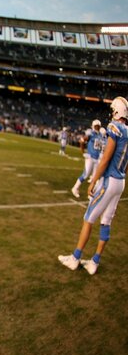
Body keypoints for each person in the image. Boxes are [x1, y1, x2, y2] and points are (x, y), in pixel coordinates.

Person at [59, 96, 128, 275]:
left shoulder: (116, 128)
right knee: (106, 221)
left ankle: (75, 258)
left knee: (89, 218)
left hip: (109, 180)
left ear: (116, 111)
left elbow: (105, 159)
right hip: (120, 182)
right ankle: (95, 262)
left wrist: (95, 179)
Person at [71, 119, 102, 198]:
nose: (97, 127)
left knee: (94, 177)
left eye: (98, 126)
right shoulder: (91, 133)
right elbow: (81, 141)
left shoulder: (100, 135)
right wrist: (83, 152)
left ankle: (90, 193)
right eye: (96, 126)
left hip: (96, 158)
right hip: (90, 157)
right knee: (86, 174)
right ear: (93, 126)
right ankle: (75, 188)